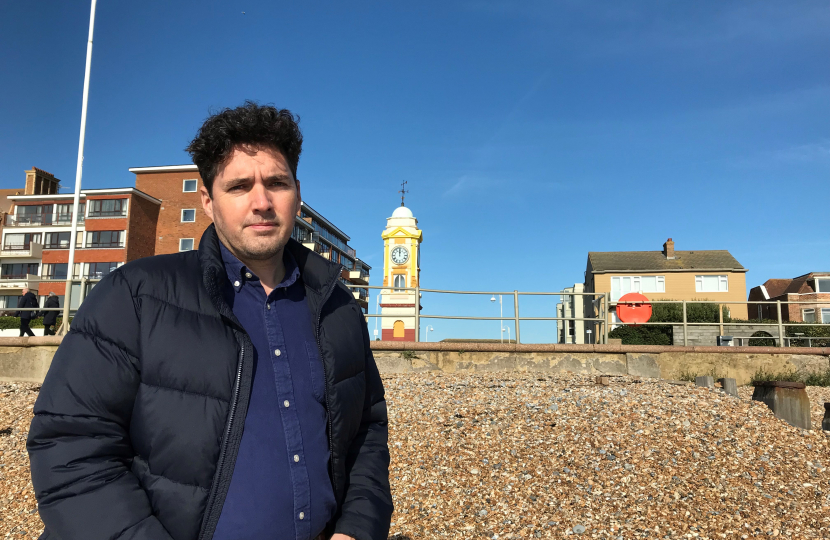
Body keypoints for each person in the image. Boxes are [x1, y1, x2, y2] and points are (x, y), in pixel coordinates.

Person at [27, 102, 393, 540]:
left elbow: (368, 432)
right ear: (207, 200)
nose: (262, 203)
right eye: (239, 186)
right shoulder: (135, 297)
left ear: (297, 191)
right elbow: (69, 448)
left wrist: (356, 528)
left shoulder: (338, 306)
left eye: (276, 183)